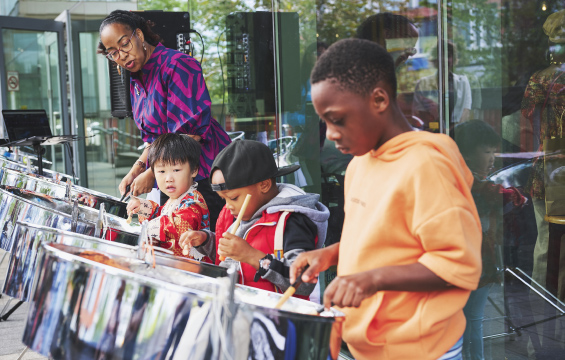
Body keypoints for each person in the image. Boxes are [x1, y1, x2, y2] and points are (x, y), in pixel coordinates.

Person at [289, 39, 482, 360]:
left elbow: (458, 265)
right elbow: (382, 240)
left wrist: (372, 279)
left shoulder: (426, 165)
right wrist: (331, 254)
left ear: (379, 99)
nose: (331, 133)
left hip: (420, 349)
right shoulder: (360, 164)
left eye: (337, 119)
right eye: (324, 121)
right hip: (368, 344)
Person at [98, 10, 230, 230]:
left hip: (206, 177)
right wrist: (137, 168)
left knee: (205, 252)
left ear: (139, 35)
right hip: (173, 178)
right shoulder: (136, 80)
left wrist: (152, 173)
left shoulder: (178, 65)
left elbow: (189, 135)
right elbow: (154, 141)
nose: (121, 56)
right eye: (113, 53)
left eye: (125, 44)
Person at [179, 140, 330, 298]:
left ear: (264, 185)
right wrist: (206, 240)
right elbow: (233, 255)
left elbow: (303, 281)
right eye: (224, 199)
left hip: (279, 317)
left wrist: (252, 256)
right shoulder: (241, 213)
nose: (228, 206)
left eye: (234, 198)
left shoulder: (293, 220)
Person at [454, 120, 526, 360]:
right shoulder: (474, 184)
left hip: (474, 260)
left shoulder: (463, 179)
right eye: (487, 152)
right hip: (475, 261)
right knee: (473, 319)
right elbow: (493, 195)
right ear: (466, 154)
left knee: (469, 318)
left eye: (494, 152)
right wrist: (514, 196)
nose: (493, 158)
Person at [521, 9, 565, 301]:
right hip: (551, 169)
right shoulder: (542, 79)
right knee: (549, 245)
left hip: (550, 166)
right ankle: (543, 321)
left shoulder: (541, 79)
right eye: (558, 34)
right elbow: (526, 128)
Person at [126, 133, 210, 260]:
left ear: (193, 170)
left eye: (176, 170)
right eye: (161, 171)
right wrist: (143, 207)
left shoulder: (194, 200)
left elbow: (179, 224)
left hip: (189, 268)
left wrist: (147, 228)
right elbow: (162, 214)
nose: (169, 179)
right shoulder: (175, 199)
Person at [413, 41, 472, 133]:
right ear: (434, 59)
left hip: (458, 134)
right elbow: (420, 114)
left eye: (448, 56)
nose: (444, 59)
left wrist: (451, 131)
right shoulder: (422, 83)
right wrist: (438, 128)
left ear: (453, 59)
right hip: (432, 133)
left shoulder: (463, 82)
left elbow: (466, 112)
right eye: (440, 56)